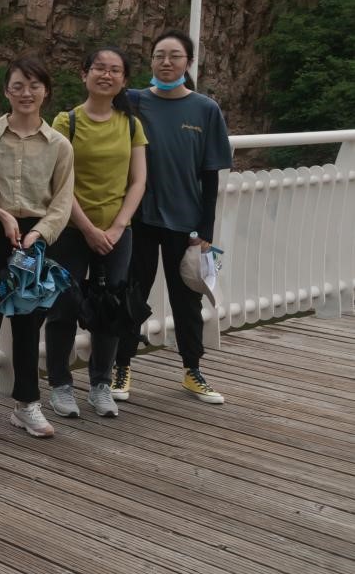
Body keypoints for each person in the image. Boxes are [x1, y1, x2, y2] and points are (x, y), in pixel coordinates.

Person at [0, 58, 74, 442]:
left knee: (29, 321)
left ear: (46, 91)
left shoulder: (59, 145)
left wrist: (39, 233)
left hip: (36, 237)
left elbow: (62, 201)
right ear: (6, 91)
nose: (26, 93)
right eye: (18, 86)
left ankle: (27, 403)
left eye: (34, 86)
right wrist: (1, 214)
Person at [112, 30, 233, 404]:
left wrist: (206, 230)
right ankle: (121, 366)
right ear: (150, 61)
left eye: (175, 56)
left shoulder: (205, 109)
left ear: (189, 62)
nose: (166, 62)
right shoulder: (133, 102)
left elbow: (210, 176)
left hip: (186, 222)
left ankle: (192, 370)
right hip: (140, 219)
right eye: (159, 55)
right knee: (132, 294)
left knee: (187, 300)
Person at [43, 46, 147, 419]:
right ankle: (60, 385)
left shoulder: (131, 125)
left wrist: (117, 227)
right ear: (84, 73)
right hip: (71, 229)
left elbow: (138, 181)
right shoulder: (66, 122)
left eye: (114, 70)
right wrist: (88, 228)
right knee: (63, 306)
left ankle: (101, 384)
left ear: (124, 79)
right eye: (99, 68)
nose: (106, 75)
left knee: (110, 308)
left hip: (117, 233)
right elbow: (59, 181)